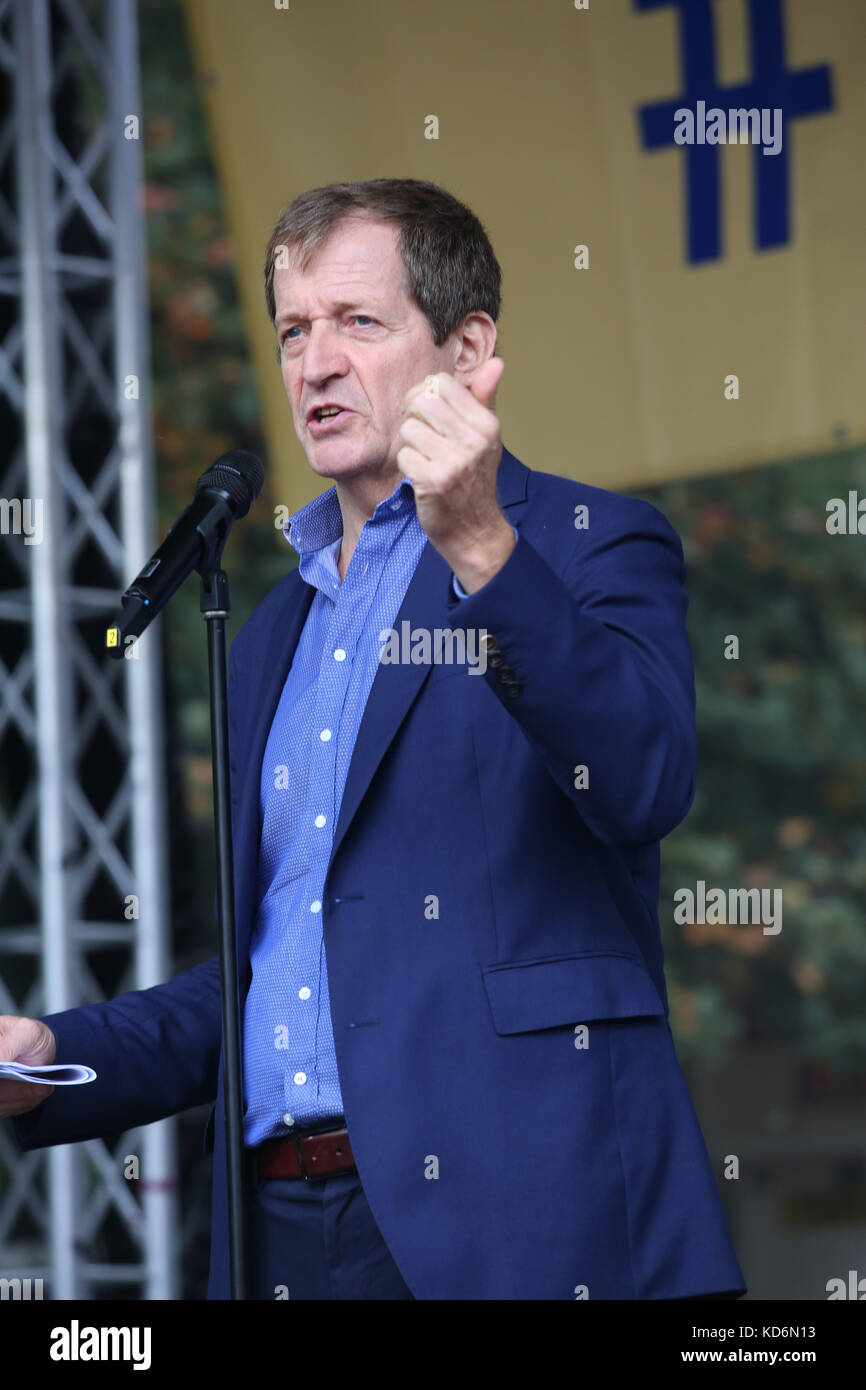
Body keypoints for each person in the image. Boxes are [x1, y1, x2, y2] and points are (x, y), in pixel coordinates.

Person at [1, 178, 745, 1301]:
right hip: (282, 1231)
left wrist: (484, 548)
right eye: (294, 330)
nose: (314, 364)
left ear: (465, 346)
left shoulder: (586, 544)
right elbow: (278, 970)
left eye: (357, 322)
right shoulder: (266, 636)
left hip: (517, 1220)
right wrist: (51, 1065)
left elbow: (640, 781)